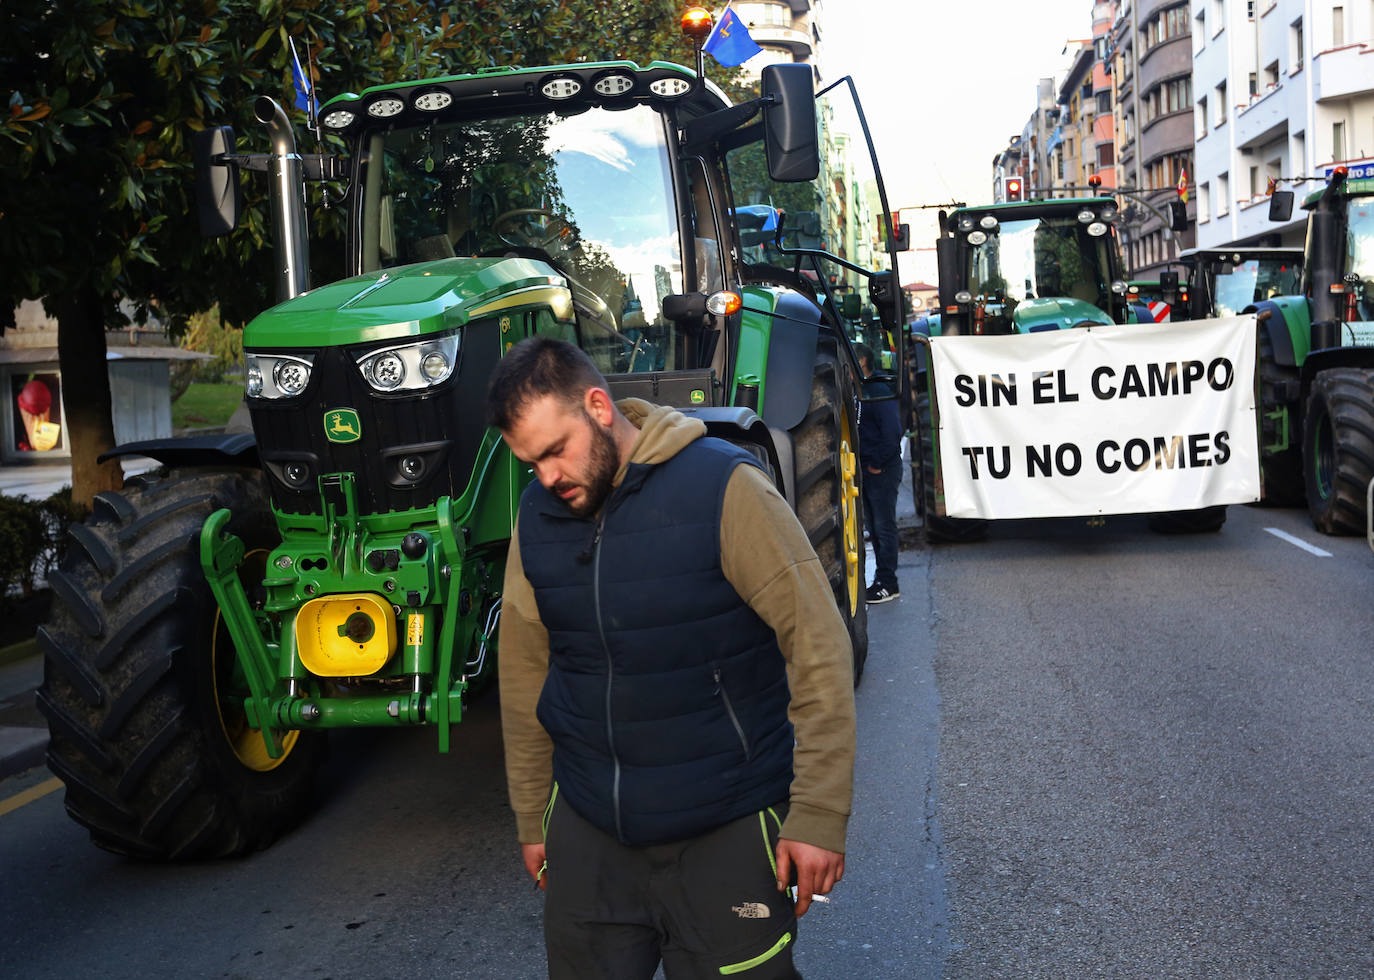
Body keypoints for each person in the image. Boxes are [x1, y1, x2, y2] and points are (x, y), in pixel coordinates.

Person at [487, 337, 856, 979]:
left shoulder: (725, 488)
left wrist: (819, 813)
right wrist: (531, 816)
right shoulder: (538, 515)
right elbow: (524, 673)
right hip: (590, 831)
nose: (547, 477)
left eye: (554, 452)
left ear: (599, 407)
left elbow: (818, 646)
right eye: (530, 463)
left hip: (726, 826)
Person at [854, 343, 902, 604]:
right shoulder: (858, 391)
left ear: (861, 361)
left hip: (881, 469)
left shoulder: (878, 391)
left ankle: (889, 583)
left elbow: (893, 431)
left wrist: (877, 463)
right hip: (869, 468)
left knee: (884, 526)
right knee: (874, 526)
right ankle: (880, 580)